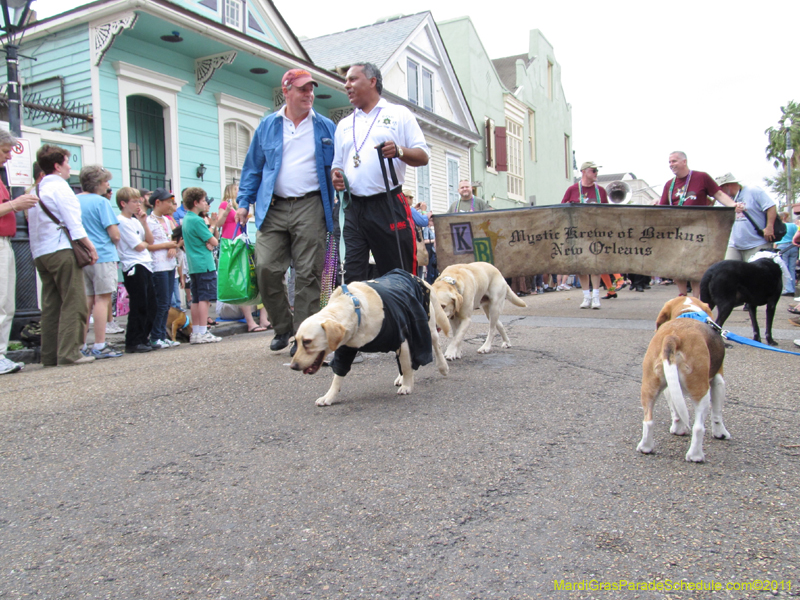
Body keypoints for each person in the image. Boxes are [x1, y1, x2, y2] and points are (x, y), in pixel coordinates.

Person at [236, 69, 335, 354]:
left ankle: (303, 337)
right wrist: (244, 202)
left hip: (312, 205)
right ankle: (282, 326)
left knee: (308, 273)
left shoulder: (325, 126)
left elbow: (339, 163)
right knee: (266, 268)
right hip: (273, 206)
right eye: (302, 89)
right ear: (286, 91)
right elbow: (253, 168)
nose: (309, 94)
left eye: (311, 89)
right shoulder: (268, 126)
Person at [331, 62, 429, 285]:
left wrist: (399, 151)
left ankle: (406, 319)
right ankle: (355, 319)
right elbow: (337, 164)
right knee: (349, 278)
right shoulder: (344, 124)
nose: (347, 85)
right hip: (352, 208)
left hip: (388, 204)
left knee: (399, 275)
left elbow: (423, 155)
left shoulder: (398, 114)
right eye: (345, 81)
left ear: (372, 81)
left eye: (352, 79)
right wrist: (336, 176)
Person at [28, 144, 99, 366]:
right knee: (74, 300)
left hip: (41, 252)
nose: (70, 167)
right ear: (57, 166)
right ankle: (69, 352)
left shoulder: (36, 190)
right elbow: (73, 222)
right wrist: (90, 246)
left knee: (51, 305)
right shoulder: (61, 188)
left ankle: (49, 354)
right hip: (60, 248)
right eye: (67, 162)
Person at [659, 151, 744, 297]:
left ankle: (696, 299)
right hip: (677, 231)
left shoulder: (701, 177)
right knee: (676, 265)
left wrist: (733, 205)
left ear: (684, 161)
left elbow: (718, 194)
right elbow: (663, 209)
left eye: (674, 161)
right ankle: (682, 296)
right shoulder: (669, 185)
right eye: (669, 162)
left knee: (695, 266)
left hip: (698, 231)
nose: (671, 165)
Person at [0, 130, 39, 374]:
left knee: (7, 303)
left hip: (6, 241)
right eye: (5, 151)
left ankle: (2, 353)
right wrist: (15, 204)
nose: (8, 157)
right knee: (1, 302)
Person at [77, 165, 123, 359]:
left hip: (82, 255)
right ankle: (100, 343)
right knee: (102, 299)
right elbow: (114, 234)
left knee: (86, 300)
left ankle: (80, 343)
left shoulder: (75, 200)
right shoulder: (101, 202)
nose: (108, 185)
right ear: (97, 183)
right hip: (103, 254)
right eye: (105, 181)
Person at [219, 183, 269, 333]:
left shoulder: (240, 207)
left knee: (255, 278)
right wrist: (227, 211)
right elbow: (219, 224)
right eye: (236, 189)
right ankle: (250, 322)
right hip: (232, 244)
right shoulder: (225, 204)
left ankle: (263, 319)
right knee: (242, 280)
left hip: (242, 242)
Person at [561, 161, 609, 308]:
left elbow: (608, 211)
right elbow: (562, 208)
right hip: (578, 232)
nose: (596, 173)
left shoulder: (600, 190)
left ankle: (596, 296)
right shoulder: (573, 189)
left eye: (596, 171)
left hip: (596, 231)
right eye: (593, 170)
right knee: (581, 265)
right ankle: (586, 296)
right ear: (584, 172)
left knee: (595, 264)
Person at [115, 187, 156, 353]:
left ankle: (143, 337)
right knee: (139, 304)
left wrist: (144, 222)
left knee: (151, 304)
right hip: (133, 265)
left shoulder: (135, 221)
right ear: (124, 203)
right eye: (134, 201)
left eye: (139, 200)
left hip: (146, 263)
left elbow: (150, 241)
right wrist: (145, 245)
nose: (138, 204)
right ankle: (133, 340)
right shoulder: (122, 222)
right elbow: (139, 246)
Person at [182, 187, 221, 344]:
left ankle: (196, 332)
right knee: (204, 299)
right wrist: (212, 225)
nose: (206, 203)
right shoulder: (197, 220)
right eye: (204, 200)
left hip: (193, 264)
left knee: (196, 299)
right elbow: (214, 241)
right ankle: (203, 331)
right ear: (196, 202)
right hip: (204, 263)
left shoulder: (187, 218)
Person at [146, 187, 181, 348]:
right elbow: (147, 244)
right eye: (168, 202)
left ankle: (161, 335)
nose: (170, 205)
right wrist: (166, 245)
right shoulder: (148, 221)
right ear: (157, 202)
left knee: (167, 302)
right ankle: (155, 336)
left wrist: (172, 245)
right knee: (161, 302)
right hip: (158, 265)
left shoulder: (167, 220)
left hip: (170, 264)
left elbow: (172, 237)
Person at [717, 172, 777, 264]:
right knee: (729, 273)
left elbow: (771, 206)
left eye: (721, 189)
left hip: (756, 243)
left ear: (727, 186)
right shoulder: (723, 200)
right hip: (734, 244)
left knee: (756, 275)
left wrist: (769, 227)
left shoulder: (753, 191)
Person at [776, 210, 798, 297]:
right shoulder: (793, 225)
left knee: (784, 268)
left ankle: (787, 289)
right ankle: (792, 288)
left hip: (782, 247)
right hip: (793, 247)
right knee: (792, 268)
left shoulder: (780, 226)